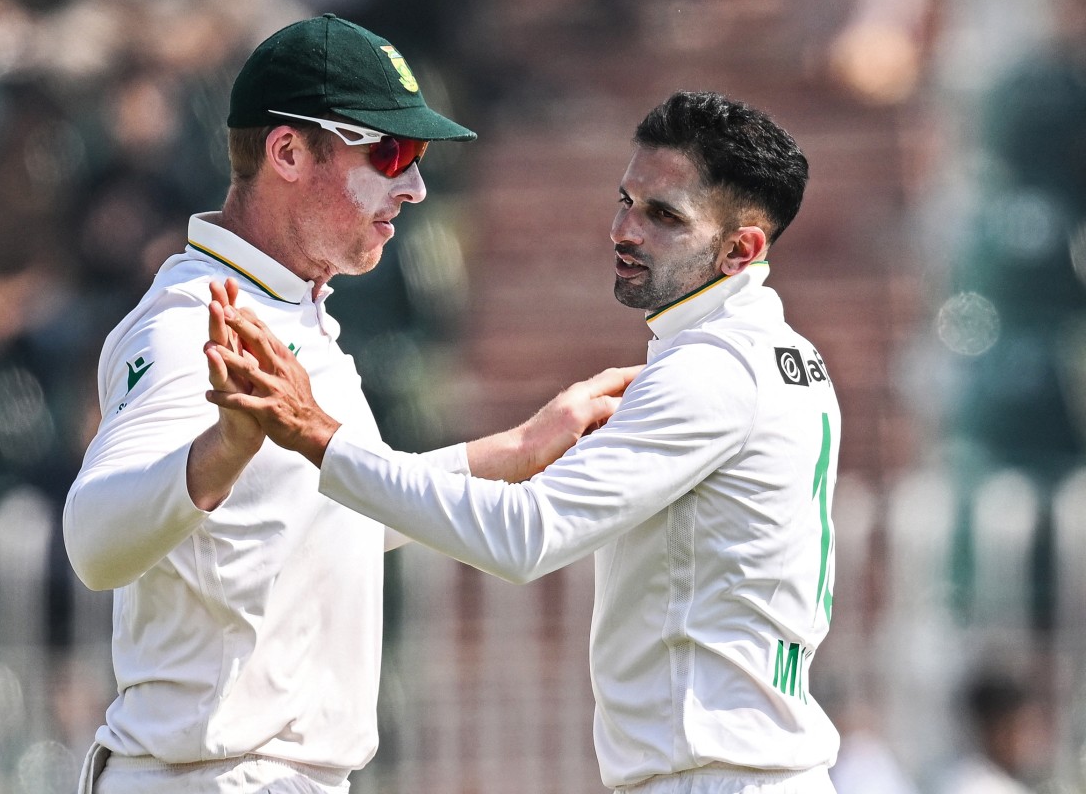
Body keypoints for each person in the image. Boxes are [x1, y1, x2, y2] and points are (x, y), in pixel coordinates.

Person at [208, 90, 844, 794]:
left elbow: (526, 536)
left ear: (741, 250)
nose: (624, 231)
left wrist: (318, 437)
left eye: (664, 216)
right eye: (626, 199)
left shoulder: (709, 370)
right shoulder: (784, 355)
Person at [62, 13, 631, 794]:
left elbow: (324, 520)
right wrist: (221, 451)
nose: (416, 187)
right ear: (288, 151)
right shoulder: (193, 323)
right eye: (389, 153)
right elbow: (93, 539)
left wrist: (513, 450)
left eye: (419, 158)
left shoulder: (292, 312)